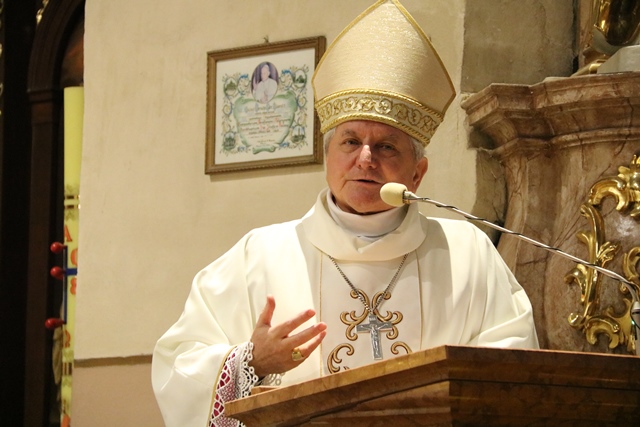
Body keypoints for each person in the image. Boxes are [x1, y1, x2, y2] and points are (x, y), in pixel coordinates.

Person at [152, 1, 539, 426]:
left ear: (417, 172)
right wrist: (251, 362)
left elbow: (512, 371)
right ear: (328, 158)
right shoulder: (258, 256)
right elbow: (178, 365)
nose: (366, 159)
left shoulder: (467, 254)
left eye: (386, 146)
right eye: (351, 142)